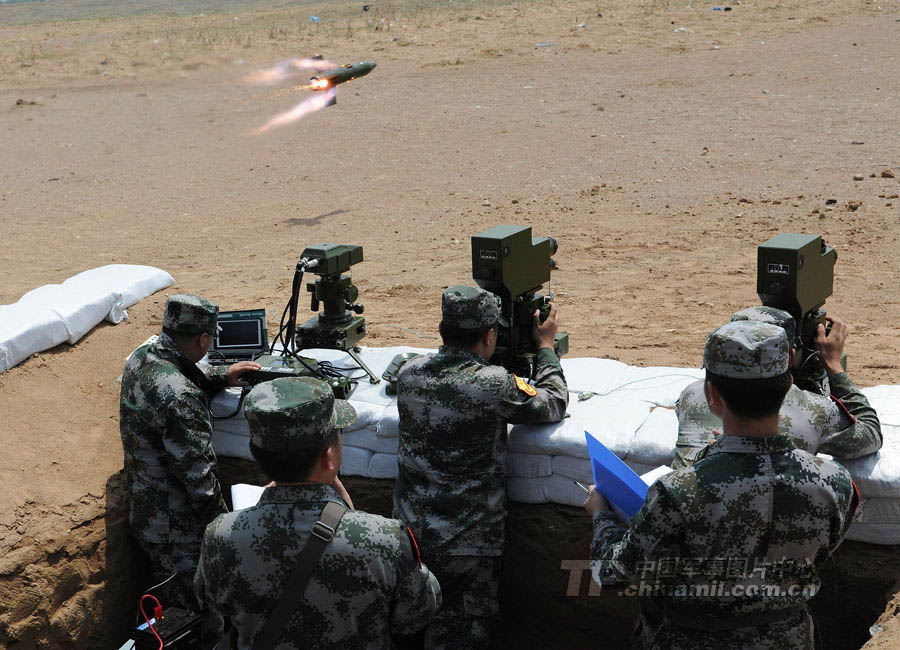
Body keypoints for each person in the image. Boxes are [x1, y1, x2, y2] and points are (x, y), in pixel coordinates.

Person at [586, 321, 859, 649]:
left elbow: (613, 574)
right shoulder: (835, 484)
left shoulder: (678, 492)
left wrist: (601, 514)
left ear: (712, 395)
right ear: (788, 387)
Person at [195, 377, 441, 649]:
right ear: (329, 456)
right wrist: (351, 517)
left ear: (257, 455)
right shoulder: (385, 539)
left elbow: (215, 602)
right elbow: (418, 612)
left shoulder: (220, 536)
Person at [393, 285, 569, 649]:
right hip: (465, 547)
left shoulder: (408, 374)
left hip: (409, 540)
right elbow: (552, 403)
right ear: (490, 335)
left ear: (442, 330)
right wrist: (547, 347)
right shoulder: (492, 385)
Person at [119, 294, 259, 607]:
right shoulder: (181, 399)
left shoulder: (143, 356)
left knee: (167, 593)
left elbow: (174, 376)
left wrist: (221, 378)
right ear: (203, 339)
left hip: (146, 509)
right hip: (175, 529)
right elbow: (199, 479)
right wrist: (224, 530)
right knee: (189, 609)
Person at [673, 306, 881, 469]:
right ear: (790, 357)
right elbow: (870, 435)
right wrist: (833, 365)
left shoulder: (692, 394)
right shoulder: (814, 410)